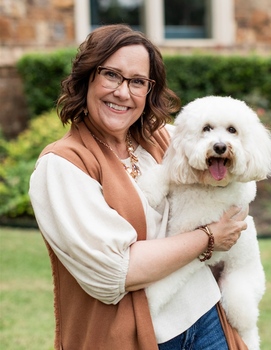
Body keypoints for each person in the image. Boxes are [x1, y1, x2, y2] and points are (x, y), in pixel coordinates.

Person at [29, 24, 249, 350]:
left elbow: (238, 175)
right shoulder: (63, 165)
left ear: (149, 90)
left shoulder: (162, 139)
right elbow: (117, 271)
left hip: (207, 321)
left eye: (137, 82)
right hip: (133, 338)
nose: (123, 92)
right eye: (111, 75)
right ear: (87, 77)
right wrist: (209, 238)